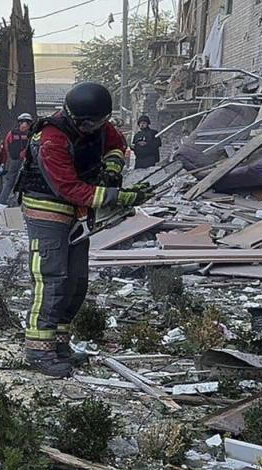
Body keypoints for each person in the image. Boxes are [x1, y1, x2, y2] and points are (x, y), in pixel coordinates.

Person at [16, 82, 153, 377]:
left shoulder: (101, 126)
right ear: (79, 119)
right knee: (51, 278)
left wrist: (112, 169)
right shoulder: (51, 138)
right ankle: (38, 350)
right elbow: (69, 189)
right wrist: (120, 197)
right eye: (93, 123)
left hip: (76, 209)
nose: (98, 128)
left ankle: (59, 343)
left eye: (102, 122)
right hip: (47, 206)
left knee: (76, 280)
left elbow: (117, 144)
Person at [0, 112, 33, 205]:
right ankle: (19, 203)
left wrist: (10, 157)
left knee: (10, 181)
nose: (24, 125)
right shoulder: (32, 134)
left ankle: (2, 202)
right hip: (26, 161)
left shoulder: (12, 133)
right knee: (24, 181)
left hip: (15, 159)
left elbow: (6, 146)